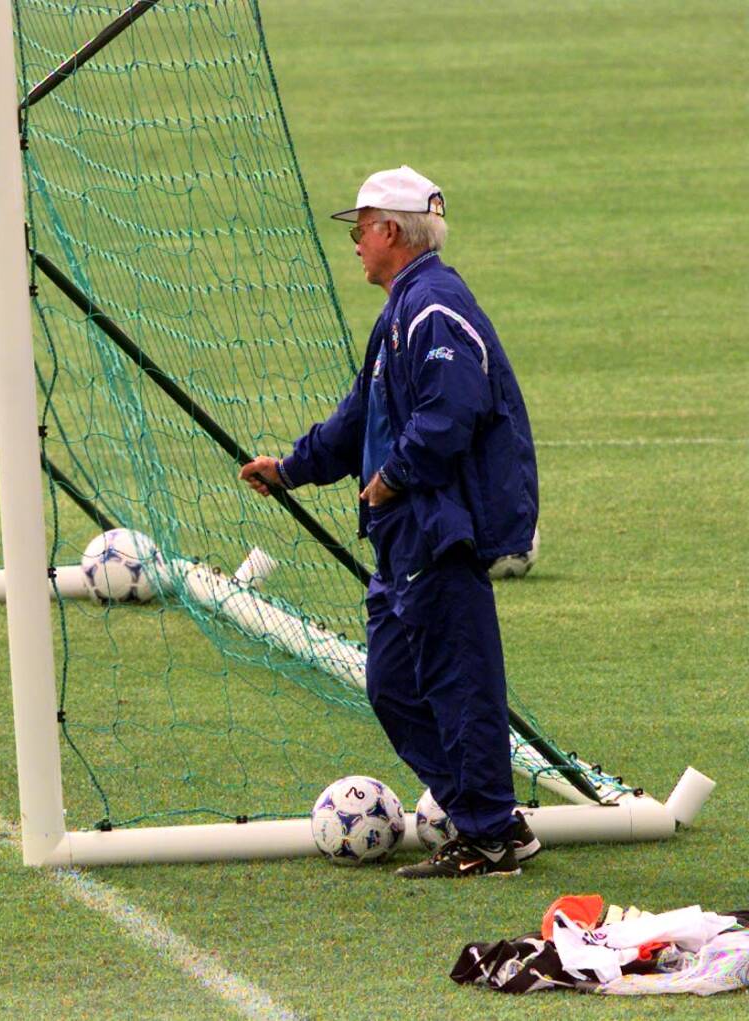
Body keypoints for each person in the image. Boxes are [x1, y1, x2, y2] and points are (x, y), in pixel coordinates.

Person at [240, 166, 540, 878]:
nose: (355, 242)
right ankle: (486, 816)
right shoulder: (402, 310)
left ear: (392, 232)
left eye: (361, 227)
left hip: (438, 526)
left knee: (457, 680)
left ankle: (490, 831)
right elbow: (356, 420)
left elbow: (452, 410)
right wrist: (291, 468)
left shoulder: (432, 307)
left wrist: (390, 478)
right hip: (404, 532)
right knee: (396, 683)